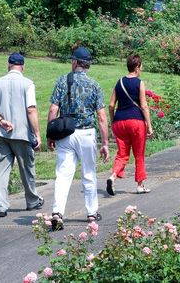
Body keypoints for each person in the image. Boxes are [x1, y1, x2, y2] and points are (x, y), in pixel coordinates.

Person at [47, 47, 109, 230]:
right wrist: (105, 143)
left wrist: (51, 134)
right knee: (89, 173)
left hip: (66, 133)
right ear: (88, 64)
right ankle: (91, 213)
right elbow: (102, 117)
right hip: (86, 134)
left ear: (75, 62)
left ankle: (58, 212)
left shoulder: (62, 81)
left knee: (63, 174)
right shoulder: (94, 85)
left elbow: (53, 109)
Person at [0, 52, 44, 218]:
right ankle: (32, 201)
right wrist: (37, 134)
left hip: (1, 133)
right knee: (27, 169)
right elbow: (31, 109)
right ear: (22, 66)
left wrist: (0, 120)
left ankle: (1, 206)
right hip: (22, 133)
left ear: (8, 64)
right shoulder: (27, 83)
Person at [106, 54, 154, 195]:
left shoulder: (119, 82)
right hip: (136, 122)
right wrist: (149, 126)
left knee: (122, 154)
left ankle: (112, 176)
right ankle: (140, 185)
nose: (142, 68)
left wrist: (113, 120)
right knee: (139, 154)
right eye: (141, 66)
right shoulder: (139, 83)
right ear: (137, 67)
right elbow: (144, 106)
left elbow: (110, 105)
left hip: (119, 122)